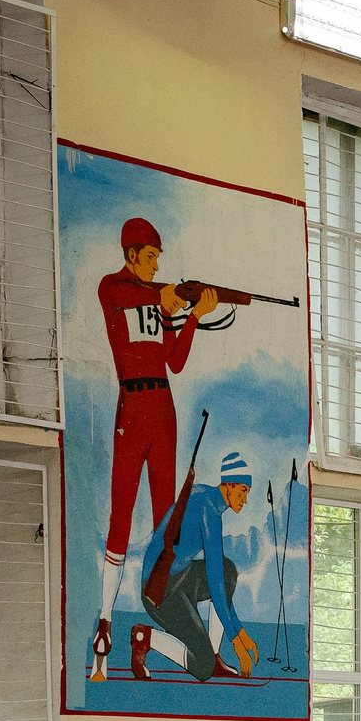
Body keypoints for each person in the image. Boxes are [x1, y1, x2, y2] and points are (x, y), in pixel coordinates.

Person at [91, 217, 219, 681]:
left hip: (163, 408)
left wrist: (193, 317)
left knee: (168, 517)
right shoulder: (115, 288)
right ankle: (104, 622)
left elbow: (176, 362)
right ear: (131, 255)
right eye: (150, 257)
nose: (156, 264)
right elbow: (122, 296)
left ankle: (173, 620)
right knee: (121, 515)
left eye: (157, 258)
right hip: (133, 406)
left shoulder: (159, 300)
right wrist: (164, 297)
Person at [134, 449, 261, 682]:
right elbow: (214, 580)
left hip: (182, 578)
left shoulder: (207, 497)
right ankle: (146, 637)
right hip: (160, 593)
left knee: (228, 571)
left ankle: (214, 654)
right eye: (243, 491)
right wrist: (236, 641)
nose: (245, 499)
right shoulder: (208, 510)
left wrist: (241, 632)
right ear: (229, 486)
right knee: (201, 668)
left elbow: (220, 580)